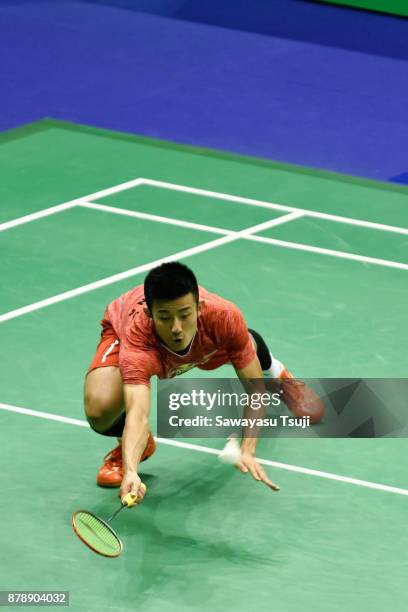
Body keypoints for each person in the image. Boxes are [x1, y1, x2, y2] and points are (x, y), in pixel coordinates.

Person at [84, 262, 323, 501]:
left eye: (184, 315)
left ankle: (278, 374)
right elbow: (138, 412)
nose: (176, 328)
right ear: (150, 314)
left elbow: (255, 391)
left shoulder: (223, 317)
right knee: (99, 408)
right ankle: (137, 445)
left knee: (244, 344)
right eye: (165, 317)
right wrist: (131, 471)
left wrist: (248, 449)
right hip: (134, 338)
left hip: (204, 341)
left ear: (199, 308)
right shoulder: (138, 339)